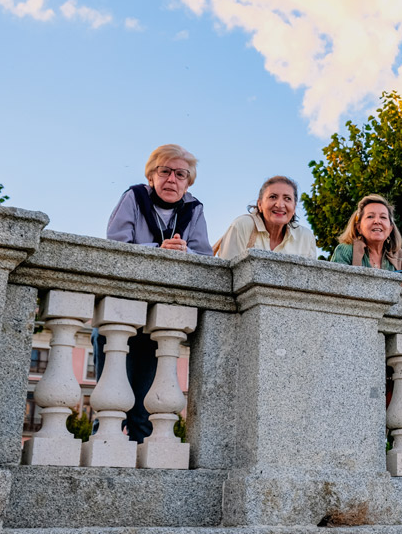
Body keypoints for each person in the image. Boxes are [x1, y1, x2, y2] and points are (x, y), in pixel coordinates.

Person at [99, 144, 213, 443]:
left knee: (145, 405)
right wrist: (157, 250)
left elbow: (205, 257)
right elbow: (115, 244)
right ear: (151, 176)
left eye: (180, 174)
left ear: (188, 182)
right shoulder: (133, 198)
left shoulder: (194, 209)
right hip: (123, 308)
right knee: (109, 397)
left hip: (163, 318)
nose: (172, 179)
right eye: (165, 172)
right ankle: (105, 445)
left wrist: (184, 251)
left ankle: (142, 451)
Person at [216, 175, 316, 259]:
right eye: (273, 197)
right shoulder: (242, 225)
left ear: (294, 207)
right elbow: (225, 275)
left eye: (287, 198)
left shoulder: (305, 237)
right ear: (260, 204)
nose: (280, 205)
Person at [329, 194, 402, 287]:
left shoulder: (400, 258)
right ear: (358, 228)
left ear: (390, 229)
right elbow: (335, 287)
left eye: (383, 217)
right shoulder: (345, 251)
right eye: (370, 216)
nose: (377, 221)